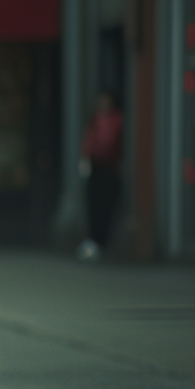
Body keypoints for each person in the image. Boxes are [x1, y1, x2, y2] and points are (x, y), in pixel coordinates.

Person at [77, 91, 124, 262]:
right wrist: (85, 159)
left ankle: (103, 242)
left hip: (110, 168)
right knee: (93, 204)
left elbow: (113, 142)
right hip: (95, 167)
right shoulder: (95, 119)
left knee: (106, 207)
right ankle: (93, 240)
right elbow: (89, 140)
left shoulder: (117, 119)